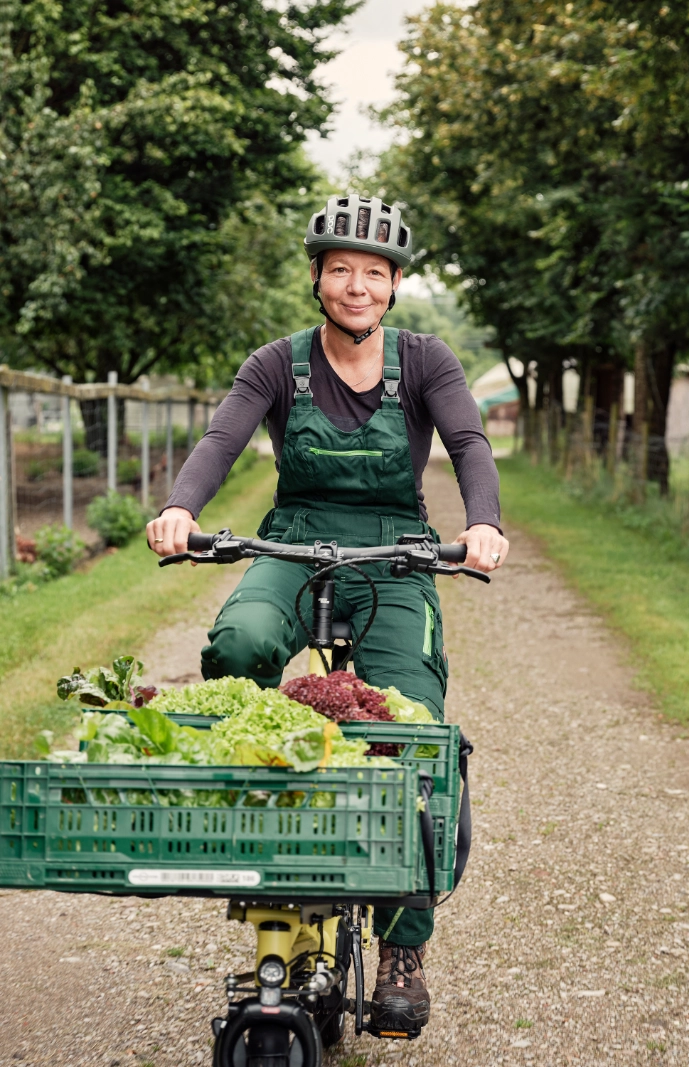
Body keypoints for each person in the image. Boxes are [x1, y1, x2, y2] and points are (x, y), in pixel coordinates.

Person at [146, 193, 509, 1032]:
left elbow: (469, 446)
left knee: (414, 723)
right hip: (294, 543)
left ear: (393, 285)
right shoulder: (277, 363)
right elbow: (220, 442)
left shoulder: (426, 362)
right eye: (341, 269)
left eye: (373, 273)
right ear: (317, 278)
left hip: (398, 551)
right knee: (239, 642)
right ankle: (266, 849)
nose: (356, 286)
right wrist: (180, 509)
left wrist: (483, 522)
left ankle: (402, 946)